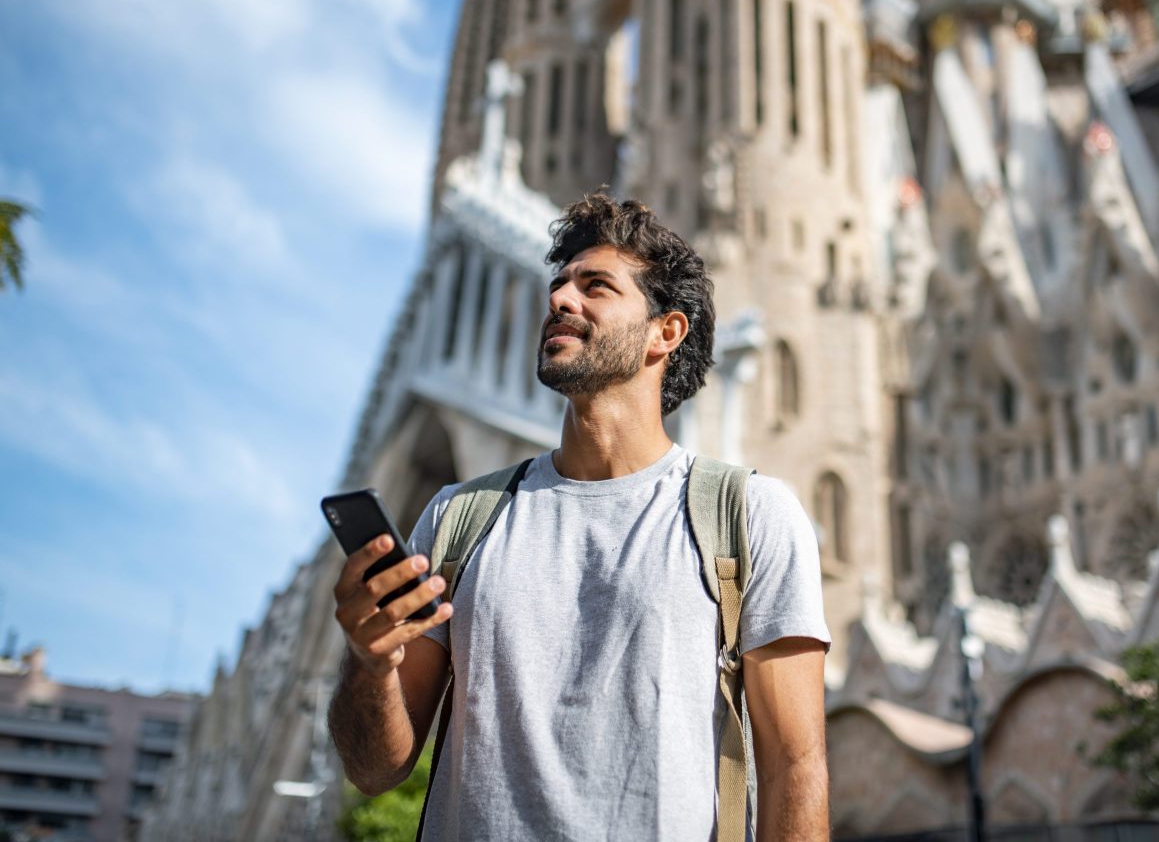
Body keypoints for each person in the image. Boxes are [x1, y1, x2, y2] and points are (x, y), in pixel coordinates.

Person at [327, 192, 831, 840]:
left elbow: (796, 766)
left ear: (665, 332)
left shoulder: (748, 517)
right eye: (560, 284)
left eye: (596, 287)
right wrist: (368, 663)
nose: (561, 300)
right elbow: (374, 769)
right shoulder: (461, 518)